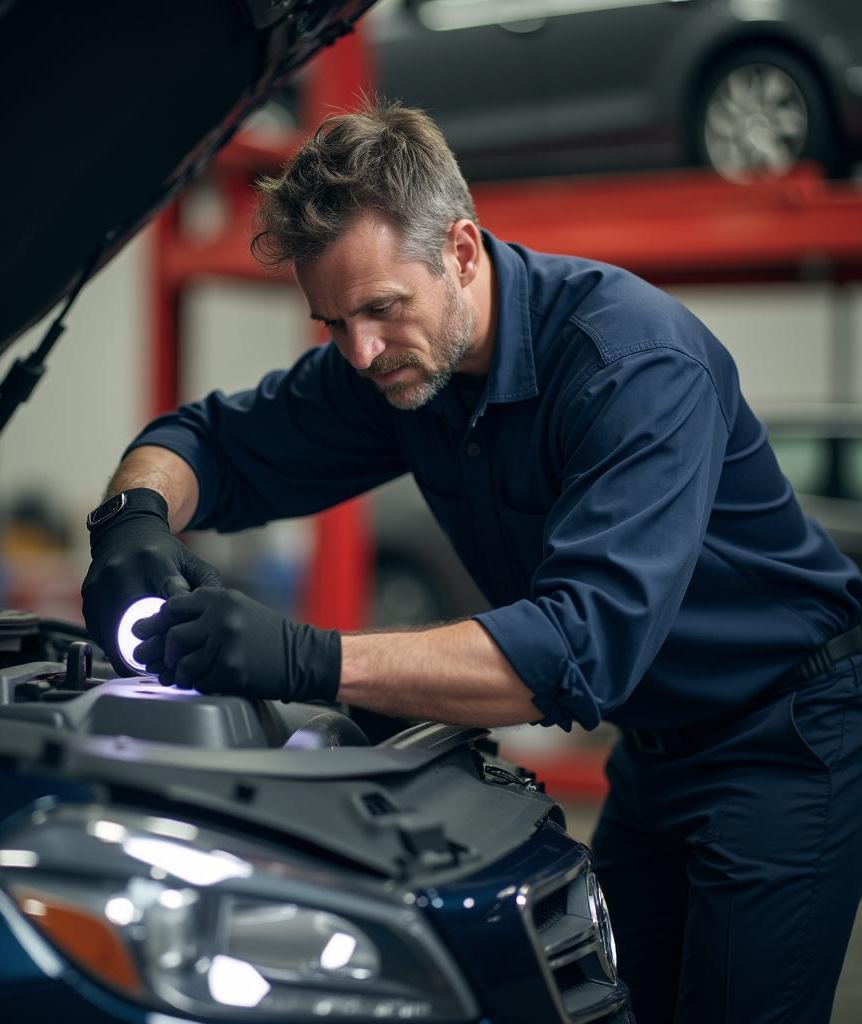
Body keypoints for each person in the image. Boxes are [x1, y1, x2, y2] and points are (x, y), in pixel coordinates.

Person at [81, 99, 862, 1023]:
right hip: (654, 750)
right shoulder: (399, 365)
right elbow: (213, 442)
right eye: (332, 322)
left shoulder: (632, 364)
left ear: (459, 250)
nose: (361, 351)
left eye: (379, 308)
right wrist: (133, 514)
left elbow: (576, 650)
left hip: (783, 737)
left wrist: (307, 659)